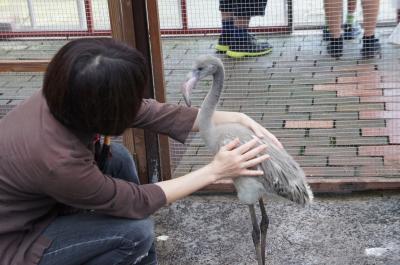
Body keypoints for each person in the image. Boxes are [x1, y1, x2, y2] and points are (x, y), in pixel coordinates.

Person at [0, 38, 278, 265]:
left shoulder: (67, 95)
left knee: (117, 159)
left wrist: (236, 117)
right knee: (134, 234)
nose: (137, 103)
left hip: (42, 201)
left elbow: (155, 112)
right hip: (17, 242)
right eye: (130, 97)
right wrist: (215, 170)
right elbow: (135, 201)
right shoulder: (57, 160)